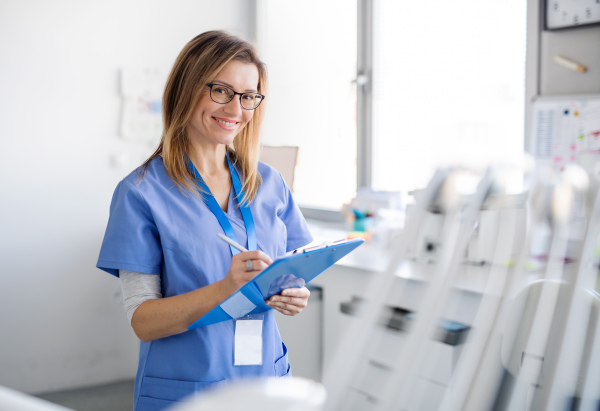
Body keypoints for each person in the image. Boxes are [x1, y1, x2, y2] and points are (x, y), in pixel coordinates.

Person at [96, 30, 313, 410]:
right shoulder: (141, 193)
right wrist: (226, 287)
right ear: (187, 87)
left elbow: (290, 269)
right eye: (221, 91)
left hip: (265, 378)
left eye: (248, 96)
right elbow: (143, 321)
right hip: (187, 388)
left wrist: (293, 294)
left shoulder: (269, 184)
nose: (235, 110)